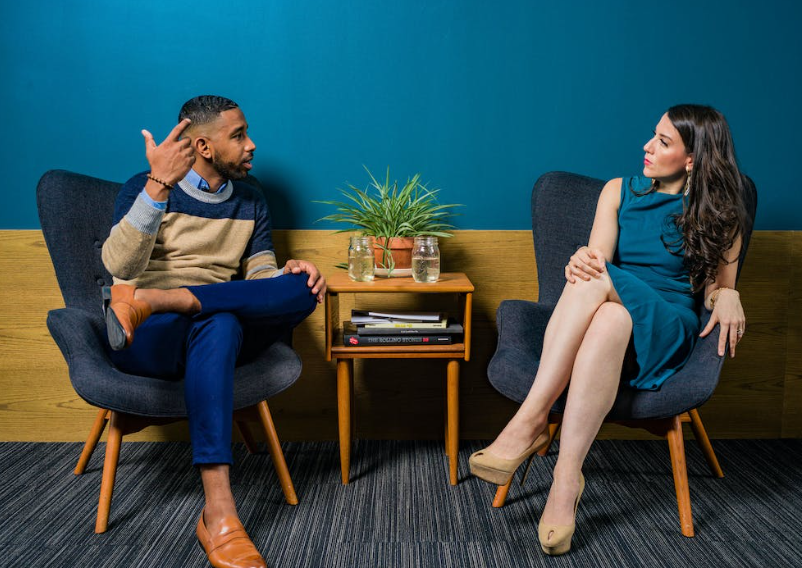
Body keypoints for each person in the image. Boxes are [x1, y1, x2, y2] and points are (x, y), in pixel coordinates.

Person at [469, 104, 749, 556]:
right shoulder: (618, 191)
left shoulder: (721, 213)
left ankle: (530, 419)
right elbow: (595, 260)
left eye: (662, 141)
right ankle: (566, 481)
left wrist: (728, 295)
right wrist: (580, 260)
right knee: (607, 308)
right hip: (616, 318)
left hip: (669, 322)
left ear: (693, 158)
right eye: (652, 135)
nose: (647, 145)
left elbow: (717, 290)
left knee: (598, 280)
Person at [101, 95, 326, 568]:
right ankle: (220, 511)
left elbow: (259, 273)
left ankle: (166, 298)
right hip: (146, 335)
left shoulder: (251, 198)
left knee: (304, 289)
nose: (252, 145)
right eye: (239, 136)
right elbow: (118, 267)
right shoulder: (145, 188)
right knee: (221, 321)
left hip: (197, 322)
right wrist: (158, 186)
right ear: (203, 145)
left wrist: (286, 273)